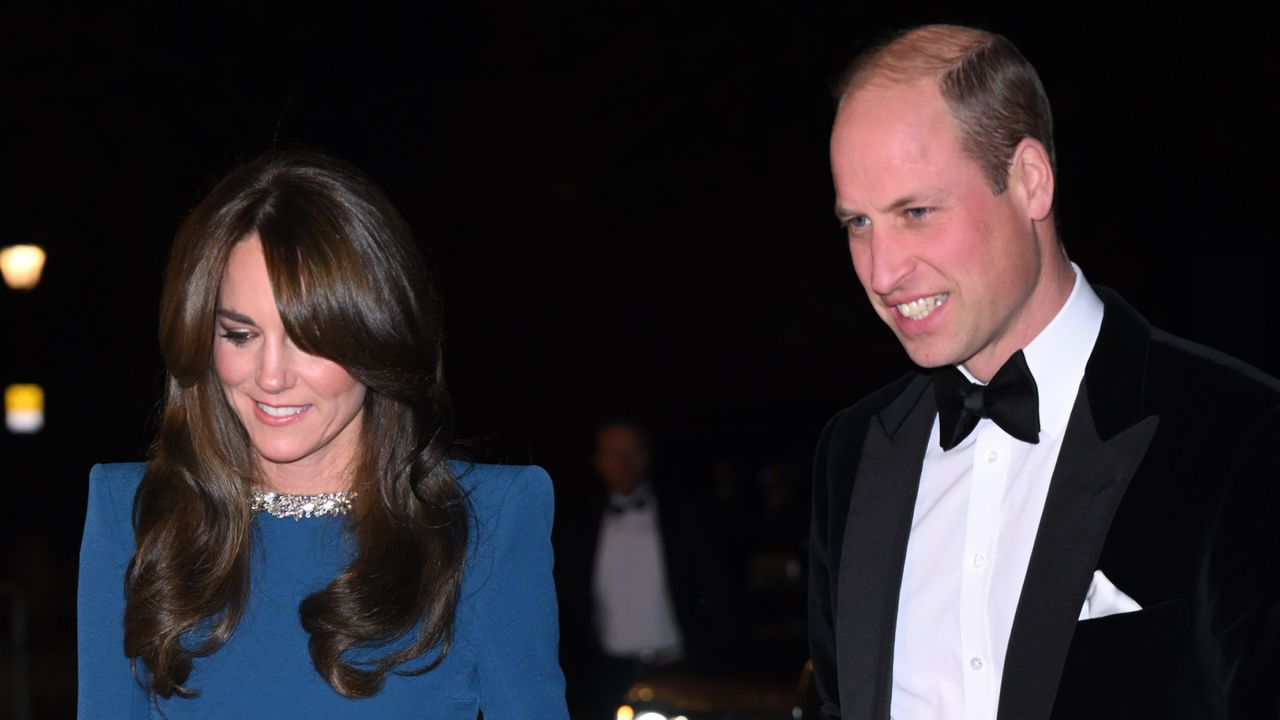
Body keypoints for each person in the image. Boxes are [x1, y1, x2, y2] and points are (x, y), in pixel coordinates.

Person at [809, 24, 1280, 720]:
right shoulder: (852, 454)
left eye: (916, 212)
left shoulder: (1239, 435)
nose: (881, 271)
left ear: (1029, 181)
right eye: (858, 224)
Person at [77, 151, 569, 718]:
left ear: (379, 335)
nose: (270, 377)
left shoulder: (486, 524)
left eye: (310, 338)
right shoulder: (133, 515)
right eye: (240, 335)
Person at [556, 418, 736, 719]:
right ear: (598, 461)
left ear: (647, 456)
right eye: (614, 453)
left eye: (633, 451)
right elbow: (568, 602)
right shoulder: (578, 528)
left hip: (681, 669)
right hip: (607, 676)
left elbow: (719, 589)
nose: (624, 462)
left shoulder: (684, 519)